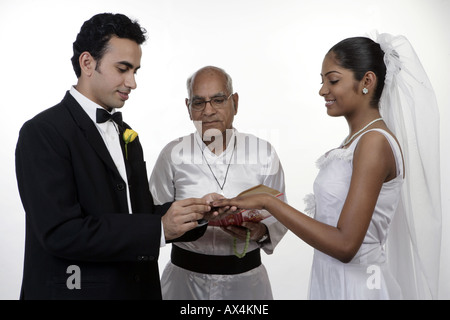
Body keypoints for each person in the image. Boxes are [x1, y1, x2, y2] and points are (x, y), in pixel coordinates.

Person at [214, 33, 441, 299]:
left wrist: (268, 202)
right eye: (322, 81)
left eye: (333, 80)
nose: (322, 90)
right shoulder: (355, 142)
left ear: (367, 81)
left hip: (359, 287)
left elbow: (345, 245)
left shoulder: (374, 143)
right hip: (332, 280)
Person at [15, 13, 216, 300]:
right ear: (87, 63)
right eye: (123, 69)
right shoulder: (42, 132)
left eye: (135, 70)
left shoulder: (127, 134)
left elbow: (135, 215)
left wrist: (195, 214)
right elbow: (61, 232)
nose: (132, 82)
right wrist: (159, 227)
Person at [149, 66, 287, 300]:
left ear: (235, 102)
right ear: (188, 107)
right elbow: (152, 219)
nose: (208, 111)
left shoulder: (263, 153)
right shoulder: (172, 154)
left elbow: (280, 215)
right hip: (184, 282)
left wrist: (260, 231)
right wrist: (197, 219)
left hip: (246, 283)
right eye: (199, 102)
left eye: (218, 100)